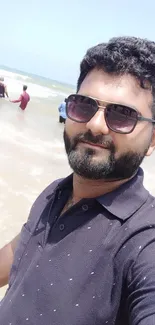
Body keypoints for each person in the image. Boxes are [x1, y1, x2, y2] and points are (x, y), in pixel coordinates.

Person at [0, 37, 155, 325]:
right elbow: (20, 250)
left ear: (152, 140)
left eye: (122, 114)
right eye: (84, 105)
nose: (95, 124)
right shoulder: (57, 191)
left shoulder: (143, 239)